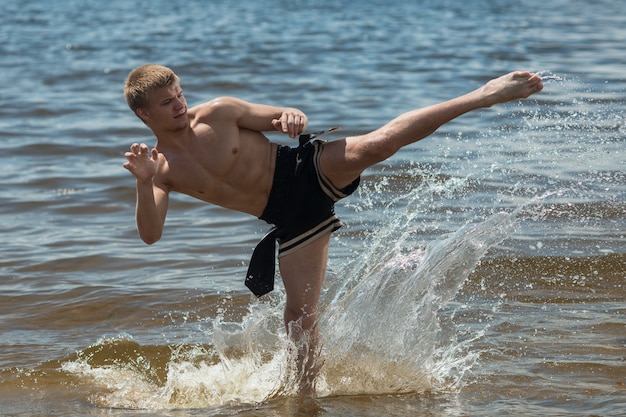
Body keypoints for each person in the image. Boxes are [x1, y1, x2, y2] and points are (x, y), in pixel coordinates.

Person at [123, 65, 543, 394]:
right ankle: (305, 397)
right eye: (165, 102)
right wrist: (144, 182)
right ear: (145, 114)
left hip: (304, 169)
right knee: (300, 315)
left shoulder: (220, 111)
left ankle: (482, 96)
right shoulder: (159, 168)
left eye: (178, 93)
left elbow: (281, 118)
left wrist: (289, 116)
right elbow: (150, 235)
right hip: (290, 218)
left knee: (378, 144)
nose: (178, 104)